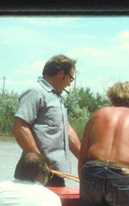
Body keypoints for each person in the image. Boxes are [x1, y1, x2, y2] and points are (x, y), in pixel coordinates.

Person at [12, 54, 81, 187]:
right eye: (70, 78)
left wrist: (87, 160)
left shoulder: (56, 96)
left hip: (54, 174)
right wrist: (41, 164)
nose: (69, 84)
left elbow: (67, 130)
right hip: (36, 174)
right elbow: (19, 128)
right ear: (61, 73)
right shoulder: (35, 92)